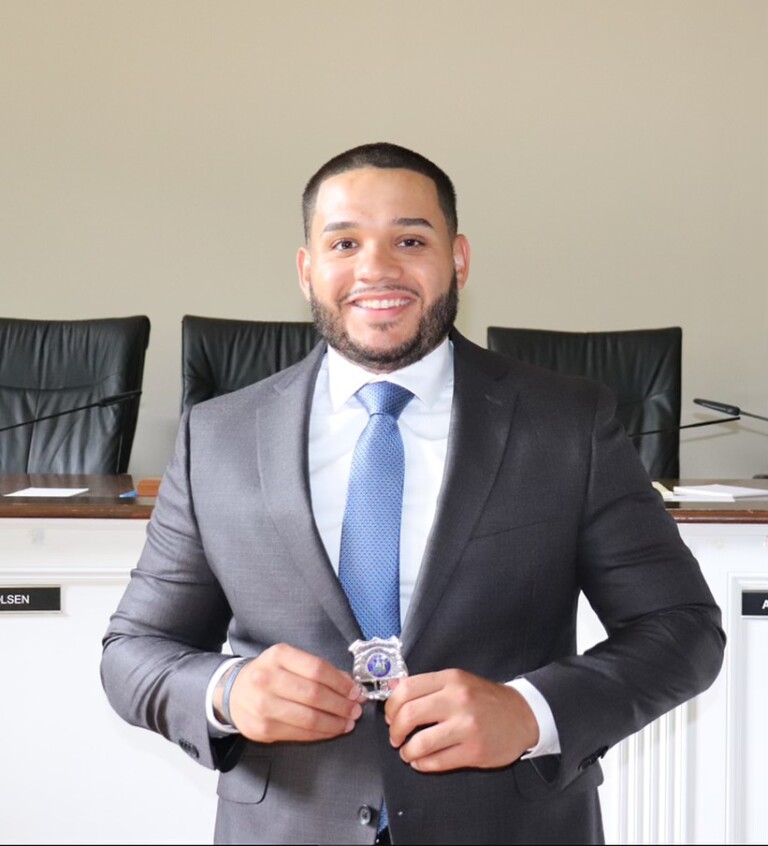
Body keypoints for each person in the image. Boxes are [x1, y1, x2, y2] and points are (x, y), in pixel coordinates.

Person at [101, 142, 725, 845]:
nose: (377, 267)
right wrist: (227, 693)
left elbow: (683, 631)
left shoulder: (568, 424)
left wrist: (530, 712)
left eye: (409, 238)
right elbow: (135, 651)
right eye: (345, 242)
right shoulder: (216, 437)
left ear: (458, 258)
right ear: (307, 271)